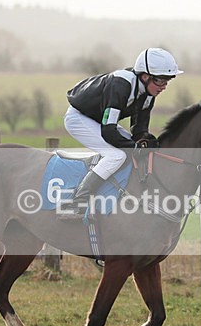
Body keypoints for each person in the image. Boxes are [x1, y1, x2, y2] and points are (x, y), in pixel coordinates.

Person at [60, 47, 183, 218]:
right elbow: (109, 131)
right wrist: (135, 147)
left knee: (138, 150)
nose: (164, 87)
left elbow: (139, 130)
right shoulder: (121, 85)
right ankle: (75, 203)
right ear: (145, 76)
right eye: (161, 81)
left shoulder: (148, 94)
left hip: (98, 120)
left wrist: (145, 141)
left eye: (166, 82)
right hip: (78, 118)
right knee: (116, 156)